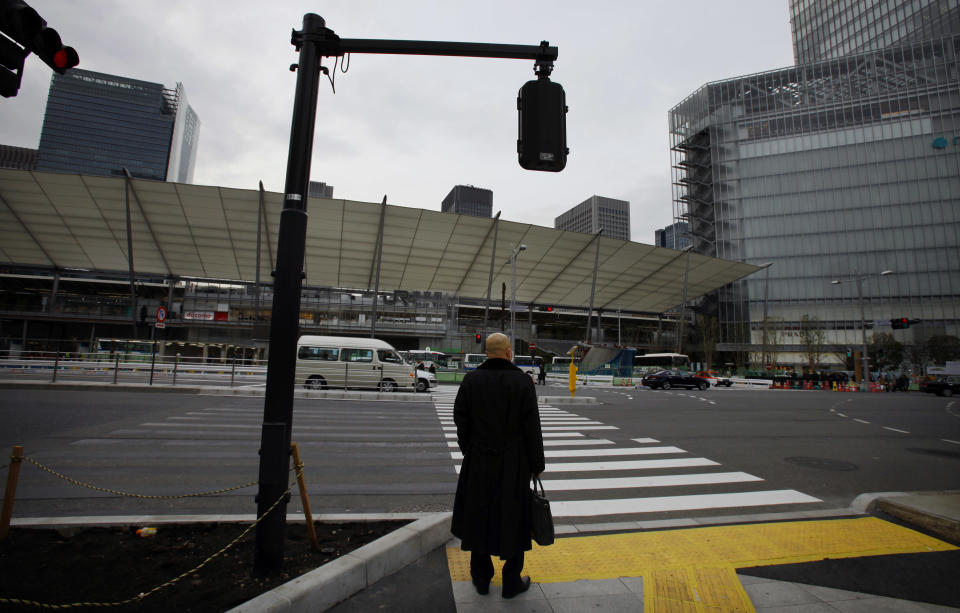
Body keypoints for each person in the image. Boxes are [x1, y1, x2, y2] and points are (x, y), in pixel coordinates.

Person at [452, 332, 546, 599]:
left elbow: (461, 420)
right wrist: (536, 463)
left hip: (479, 460)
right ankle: (511, 582)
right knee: (514, 518)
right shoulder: (522, 382)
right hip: (514, 463)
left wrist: (469, 450)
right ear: (508, 352)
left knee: (478, 516)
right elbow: (532, 428)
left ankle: (482, 579)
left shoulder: (471, 380)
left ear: (487, 353)